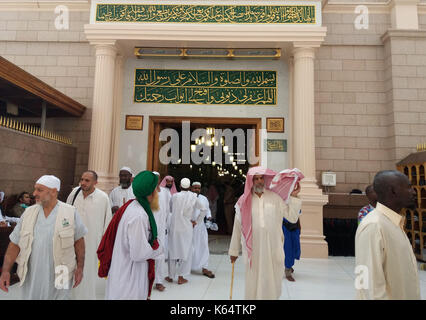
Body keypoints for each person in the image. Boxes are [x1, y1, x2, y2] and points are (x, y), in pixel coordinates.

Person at [0, 175, 87, 299]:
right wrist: (5, 271)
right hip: (32, 273)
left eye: (39, 190)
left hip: (61, 272)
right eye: (35, 189)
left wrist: (80, 268)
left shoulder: (70, 212)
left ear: (53, 191)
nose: (34, 193)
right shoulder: (29, 213)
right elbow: (14, 243)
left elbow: (79, 242)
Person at [228, 166, 302, 300]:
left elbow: (292, 217)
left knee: (272, 279)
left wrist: (294, 197)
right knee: (254, 279)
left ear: (265, 179)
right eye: (255, 179)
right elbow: (237, 227)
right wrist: (234, 251)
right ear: (251, 181)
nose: (259, 181)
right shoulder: (243, 202)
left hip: (273, 247)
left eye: (261, 178)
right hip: (254, 249)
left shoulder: (275, 198)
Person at [355, 170, 421, 300]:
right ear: (393, 191)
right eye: (408, 187)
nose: (414, 192)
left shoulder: (394, 223)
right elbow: (367, 284)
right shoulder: (374, 225)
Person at [99, 171, 163, 300]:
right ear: (150, 193)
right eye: (156, 189)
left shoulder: (132, 206)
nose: (158, 193)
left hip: (124, 271)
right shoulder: (139, 216)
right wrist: (159, 250)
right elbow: (138, 253)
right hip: (129, 277)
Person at [66, 170, 112, 300]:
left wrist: (103, 246)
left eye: (87, 180)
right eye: (82, 179)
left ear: (95, 182)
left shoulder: (103, 198)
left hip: (91, 244)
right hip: (71, 242)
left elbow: (107, 223)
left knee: (87, 274)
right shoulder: (74, 193)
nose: (83, 183)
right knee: (68, 272)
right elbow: (65, 213)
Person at [166, 178, 208, 285]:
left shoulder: (174, 196)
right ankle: (181, 277)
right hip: (187, 228)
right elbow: (204, 209)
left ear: (180, 186)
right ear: (189, 188)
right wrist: (197, 221)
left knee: (173, 250)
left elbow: (170, 210)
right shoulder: (193, 197)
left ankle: (171, 276)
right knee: (186, 252)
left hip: (175, 227)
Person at [152, 172, 172, 292]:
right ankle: (147, 279)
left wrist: (166, 226)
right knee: (147, 254)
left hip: (161, 228)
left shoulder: (165, 192)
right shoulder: (147, 192)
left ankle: (159, 281)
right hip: (148, 227)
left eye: (157, 178)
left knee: (160, 254)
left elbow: (168, 211)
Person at [190, 182, 215, 278]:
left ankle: (204, 267)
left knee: (204, 246)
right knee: (189, 247)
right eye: (195, 188)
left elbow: (207, 209)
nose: (197, 190)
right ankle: (186, 267)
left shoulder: (204, 199)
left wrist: (209, 217)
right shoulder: (188, 197)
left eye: (198, 188)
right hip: (189, 226)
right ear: (191, 188)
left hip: (200, 226)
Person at [282, 217, 301, 282]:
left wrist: (299, 226)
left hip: (295, 226)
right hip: (284, 227)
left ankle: (289, 265)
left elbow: (297, 214)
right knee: (288, 249)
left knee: (295, 247)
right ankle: (288, 272)